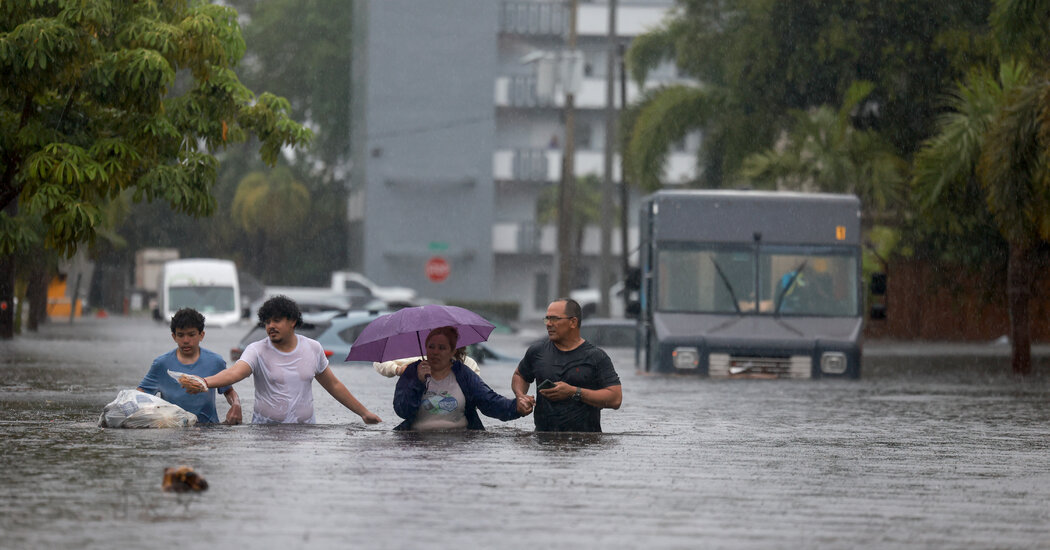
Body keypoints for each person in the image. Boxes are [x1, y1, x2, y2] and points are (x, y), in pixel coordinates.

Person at [180, 295, 382, 425]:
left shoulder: (313, 348)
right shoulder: (256, 350)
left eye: (276, 320)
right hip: (265, 436)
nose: (270, 326)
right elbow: (234, 373)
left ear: (292, 321)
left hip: (305, 436)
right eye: (267, 322)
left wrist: (363, 413)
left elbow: (334, 386)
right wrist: (204, 382)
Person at [512, 298, 622, 432]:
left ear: (573, 322)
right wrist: (520, 395)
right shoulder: (537, 352)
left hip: (586, 443)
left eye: (555, 319)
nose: (548, 324)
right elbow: (520, 375)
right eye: (547, 319)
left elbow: (615, 399)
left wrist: (574, 392)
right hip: (543, 442)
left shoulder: (596, 356)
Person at [393, 326, 532, 431]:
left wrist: (516, 407)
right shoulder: (412, 372)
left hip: (459, 441)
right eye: (431, 347)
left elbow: (490, 402)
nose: (435, 352)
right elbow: (402, 410)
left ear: (453, 351)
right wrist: (418, 382)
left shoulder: (463, 374)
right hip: (418, 441)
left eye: (442, 348)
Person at [138, 308, 242, 425]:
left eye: (191, 335)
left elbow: (229, 391)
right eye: (180, 335)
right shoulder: (161, 364)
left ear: (201, 335)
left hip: (208, 432)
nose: (186, 340)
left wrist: (236, 404)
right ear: (174, 337)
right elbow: (140, 396)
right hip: (173, 432)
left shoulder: (215, 362)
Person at [374, 347, 480, 377]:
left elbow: (481, 397)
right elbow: (378, 361)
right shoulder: (423, 361)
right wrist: (398, 370)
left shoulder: (469, 364)